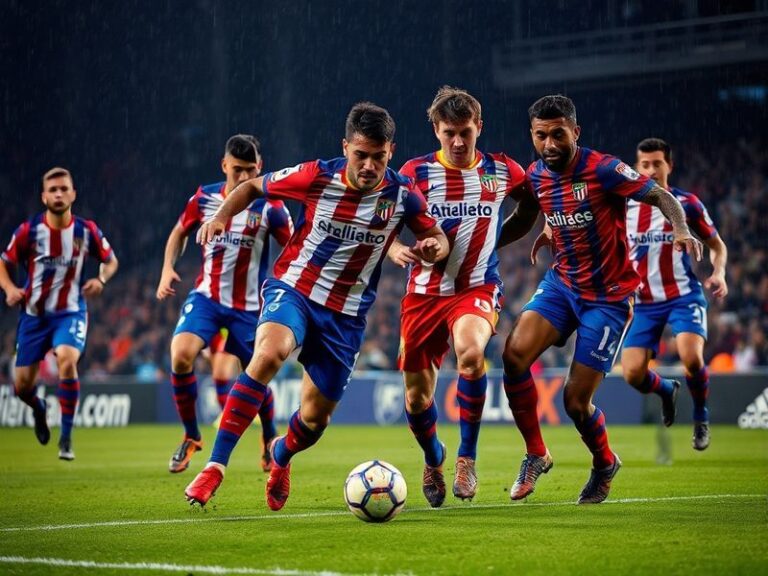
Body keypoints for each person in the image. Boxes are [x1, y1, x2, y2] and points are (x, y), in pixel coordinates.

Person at [184, 102, 449, 510]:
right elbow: (252, 187)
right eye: (360, 155)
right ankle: (215, 466)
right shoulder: (316, 176)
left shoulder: (402, 196)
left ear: (390, 152)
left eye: (378, 157)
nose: (368, 166)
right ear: (346, 147)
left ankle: (280, 455)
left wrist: (433, 247)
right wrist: (220, 215)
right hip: (295, 290)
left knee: (314, 420)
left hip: (346, 318)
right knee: (270, 352)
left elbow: (436, 237)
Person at [497, 95, 702, 504]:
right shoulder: (536, 175)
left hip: (607, 299)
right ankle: (536, 453)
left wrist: (680, 228)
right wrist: (536, 234)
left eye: (559, 134)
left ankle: (604, 463)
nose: (550, 144)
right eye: (541, 136)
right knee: (513, 354)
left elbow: (661, 196)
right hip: (562, 285)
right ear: (532, 136)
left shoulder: (604, 168)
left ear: (576, 131)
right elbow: (536, 211)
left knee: (574, 402)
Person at [387, 86, 530, 506]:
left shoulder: (502, 170)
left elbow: (533, 201)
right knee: (416, 398)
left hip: (476, 288)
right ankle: (434, 458)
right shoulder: (414, 173)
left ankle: (466, 458)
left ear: (478, 127)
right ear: (435, 130)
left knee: (470, 354)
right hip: (423, 295)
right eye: (449, 132)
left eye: (466, 131)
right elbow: (381, 217)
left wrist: (504, 237)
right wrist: (395, 246)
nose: (458, 141)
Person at [156, 135, 292, 474]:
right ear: (224, 166)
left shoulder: (271, 206)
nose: (244, 179)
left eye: (250, 171)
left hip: (249, 307)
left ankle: (269, 436)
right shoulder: (203, 198)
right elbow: (178, 233)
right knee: (181, 353)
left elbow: (294, 247)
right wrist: (167, 269)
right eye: (237, 171)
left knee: (256, 375)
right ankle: (191, 436)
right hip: (208, 297)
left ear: (260, 168)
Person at [0, 167, 118, 460]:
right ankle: (39, 409)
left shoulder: (86, 230)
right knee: (22, 388)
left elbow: (111, 260)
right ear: (44, 197)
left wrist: (101, 279)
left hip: (70, 312)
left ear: (73, 194)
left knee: (67, 359)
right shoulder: (29, 231)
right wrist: (9, 288)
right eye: (53, 190)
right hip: (33, 316)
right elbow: (3, 262)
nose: (58, 194)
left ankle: (65, 437)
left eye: (64, 188)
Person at [622, 137, 728, 450]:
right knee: (631, 373)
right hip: (644, 304)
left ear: (670, 166)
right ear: (635, 167)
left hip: (683, 296)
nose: (651, 170)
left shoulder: (687, 203)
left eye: (657, 164)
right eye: (645, 165)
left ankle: (700, 417)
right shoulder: (624, 207)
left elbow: (717, 246)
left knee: (692, 358)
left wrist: (718, 272)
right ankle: (667, 390)